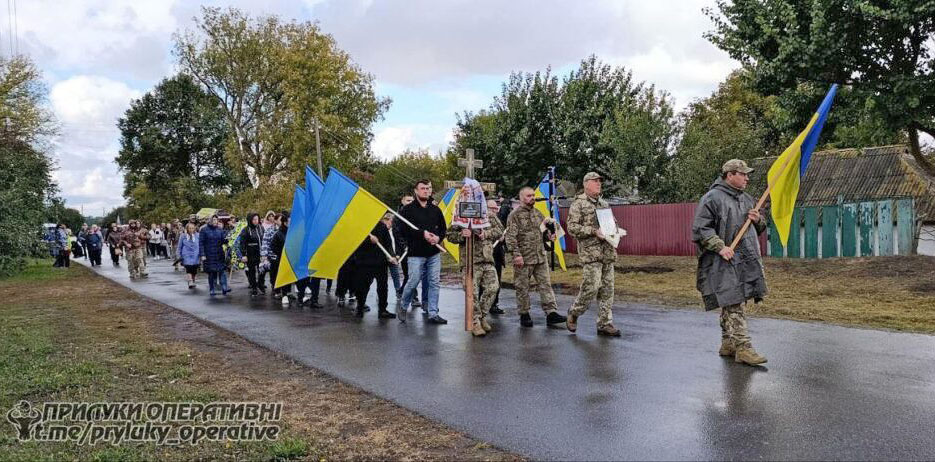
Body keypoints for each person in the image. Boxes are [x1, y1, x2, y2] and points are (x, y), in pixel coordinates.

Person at [691, 159, 769, 366]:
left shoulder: (747, 199)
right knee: (733, 299)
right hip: (723, 260)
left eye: (747, 174)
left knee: (734, 299)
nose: (747, 178)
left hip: (746, 258)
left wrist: (758, 219)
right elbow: (701, 229)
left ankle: (727, 343)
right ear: (729, 175)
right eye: (743, 174)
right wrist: (720, 246)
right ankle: (744, 348)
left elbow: (759, 228)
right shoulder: (712, 198)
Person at [566, 172, 622, 337]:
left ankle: (605, 323)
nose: (599, 184)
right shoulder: (579, 204)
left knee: (607, 290)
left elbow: (611, 223)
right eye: (595, 181)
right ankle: (574, 312)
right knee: (591, 288)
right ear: (586, 184)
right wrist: (593, 231)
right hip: (591, 254)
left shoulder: (604, 204)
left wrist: (615, 228)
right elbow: (572, 228)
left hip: (607, 252)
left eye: (600, 181)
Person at [505, 187, 567, 328]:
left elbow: (542, 232)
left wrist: (549, 236)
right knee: (522, 287)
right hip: (524, 257)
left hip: (540, 256)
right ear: (521, 198)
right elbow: (510, 237)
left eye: (533, 195)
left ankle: (551, 312)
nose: (532, 198)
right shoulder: (514, 215)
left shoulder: (538, 213)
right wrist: (516, 255)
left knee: (545, 284)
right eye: (529, 196)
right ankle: (524, 313)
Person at [447, 197, 504, 336]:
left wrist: (486, 234)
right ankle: (475, 322)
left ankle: (481, 316)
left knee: (493, 288)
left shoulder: (488, 215)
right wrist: (461, 234)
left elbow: (500, 231)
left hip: (487, 259)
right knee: (472, 293)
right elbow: (449, 235)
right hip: (469, 261)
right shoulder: (459, 216)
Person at [399, 180, 447, 324]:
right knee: (413, 281)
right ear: (416, 191)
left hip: (433, 253)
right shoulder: (407, 210)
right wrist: (422, 234)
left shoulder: (435, 209)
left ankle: (433, 313)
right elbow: (403, 230)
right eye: (423, 188)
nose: (426, 191)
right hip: (415, 253)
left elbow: (443, 229)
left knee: (434, 282)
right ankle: (403, 305)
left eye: (428, 188)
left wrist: (438, 238)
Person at [351, 219, 396, 319]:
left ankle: (382, 310)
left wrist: (391, 255)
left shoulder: (382, 226)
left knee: (383, 287)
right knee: (362, 287)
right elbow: (355, 242)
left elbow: (388, 244)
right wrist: (368, 241)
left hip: (380, 262)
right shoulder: (361, 225)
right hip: (364, 262)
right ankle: (360, 307)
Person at [199, 214, 230, 296]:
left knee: (222, 271)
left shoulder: (220, 230)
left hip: (219, 254)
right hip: (209, 254)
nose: (215, 221)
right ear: (210, 220)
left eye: (216, 220)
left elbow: (223, 240)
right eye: (213, 219)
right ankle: (212, 288)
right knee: (211, 273)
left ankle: (224, 287)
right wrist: (202, 254)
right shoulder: (204, 230)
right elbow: (201, 243)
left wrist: (228, 239)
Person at [237, 212, 265, 296]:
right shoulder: (245, 230)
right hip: (250, 253)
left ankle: (260, 284)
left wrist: (265, 252)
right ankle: (254, 287)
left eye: (257, 219)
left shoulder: (261, 228)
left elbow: (265, 239)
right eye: (254, 219)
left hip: (260, 252)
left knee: (262, 270)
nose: (256, 221)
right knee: (252, 271)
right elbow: (242, 243)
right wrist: (244, 254)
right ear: (250, 220)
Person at [385, 214, 407, 298]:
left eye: (391, 221)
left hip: (394, 257)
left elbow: (398, 243)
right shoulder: (382, 231)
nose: (390, 223)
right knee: (382, 277)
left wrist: (398, 254)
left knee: (396, 274)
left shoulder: (395, 231)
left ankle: (398, 291)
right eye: (388, 220)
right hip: (384, 257)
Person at [268, 210, 289, 299]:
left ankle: (287, 292)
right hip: (280, 258)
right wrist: (280, 253)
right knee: (278, 275)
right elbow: (272, 246)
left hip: (289, 258)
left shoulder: (291, 232)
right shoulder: (278, 233)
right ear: (284, 222)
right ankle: (279, 292)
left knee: (288, 276)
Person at [177, 222, 201, 289]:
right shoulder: (183, 236)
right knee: (188, 268)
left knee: (194, 270)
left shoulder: (198, 235)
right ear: (187, 229)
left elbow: (201, 245)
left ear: (194, 228)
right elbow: (179, 246)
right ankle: (190, 281)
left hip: (196, 255)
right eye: (189, 228)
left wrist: (202, 254)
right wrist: (179, 255)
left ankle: (193, 280)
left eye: (192, 228)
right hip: (186, 255)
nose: (191, 230)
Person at [260, 211, 279, 292]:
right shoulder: (268, 229)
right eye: (269, 216)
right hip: (271, 255)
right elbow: (265, 242)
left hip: (281, 255)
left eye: (272, 216)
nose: (271, 218)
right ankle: (271, 286)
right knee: (271, 271)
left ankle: (282, 290)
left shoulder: (286, 229)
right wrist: (264, 255)